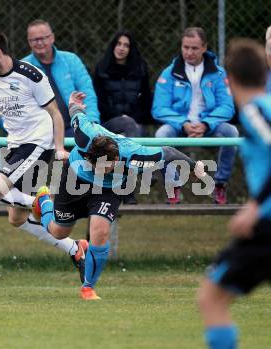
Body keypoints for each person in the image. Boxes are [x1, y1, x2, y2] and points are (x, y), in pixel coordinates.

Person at [32, 91, 207, 300]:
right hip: (75, 179)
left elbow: (168, 152)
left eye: (112, 163)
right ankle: (43, 201)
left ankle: (88, 287)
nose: (109, 167)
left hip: (110, 189)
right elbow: (77, 114)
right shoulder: (84, 135)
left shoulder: (134, 154)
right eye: (103, 166)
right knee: (58, 232)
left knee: (100, 231)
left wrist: (195, 167)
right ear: (89, 157)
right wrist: (74, 104)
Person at [0, 30, 88, 282]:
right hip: (17, 146)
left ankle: (45, 201)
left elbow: (55, 113)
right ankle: (75, 248)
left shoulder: (31, 74)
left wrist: (59, 147)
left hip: (38, 143)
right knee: (16, 219)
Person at [198, 38, 271, 349]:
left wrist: (254, 205)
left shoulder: (256, 110)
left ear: (229, 81)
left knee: (211, 297)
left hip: (266, 225)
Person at [152, 27, 238, 204]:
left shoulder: (218, 74)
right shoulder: (169, 73)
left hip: (209, 125)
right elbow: (159, 108)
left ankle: (220, 185)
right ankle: (173, 187)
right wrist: (183, 123)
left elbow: (227, 106)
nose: (189, 52)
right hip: (179, 126)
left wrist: (206, 124)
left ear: (204, 47)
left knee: (232, 133)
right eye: (185, 47)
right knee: (160, 135)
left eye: (194, 48)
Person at [22, 19, 100, 137]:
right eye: (34, 39)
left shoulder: (72, 60)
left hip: (76, 127)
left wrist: (90, 124)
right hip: (41, 133)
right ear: (29, 42)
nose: (39, 43)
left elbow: (87, 94)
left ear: (52, 37)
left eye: (43, 38)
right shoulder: (23, 68)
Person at [93, 29, 152, 137]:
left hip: (136, 121)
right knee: (128, 125)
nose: (121, 48)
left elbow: (146, 101)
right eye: (118, 44)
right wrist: (121, 117)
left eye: (126, 45)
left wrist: (132, 118)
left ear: (131, 49)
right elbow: (100, 102)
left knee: (135, 128)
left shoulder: (140, 69)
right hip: (109, 122)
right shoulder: (101, 69)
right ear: (113, 46)